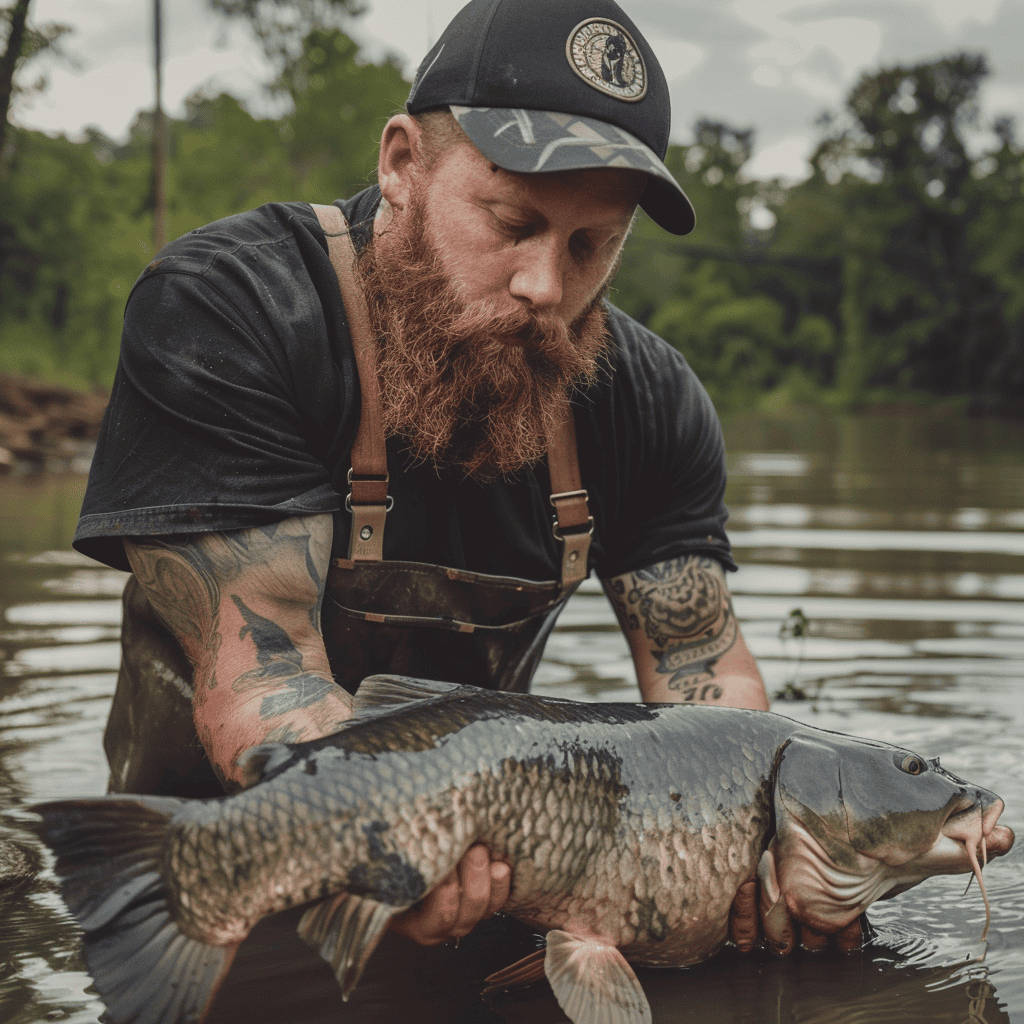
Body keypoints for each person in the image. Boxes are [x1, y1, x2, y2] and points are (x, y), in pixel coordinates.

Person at [73, 0, 859, 958]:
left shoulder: (649, 402)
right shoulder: (231, 309)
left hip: (499, 880)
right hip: (201, 869)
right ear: (403, 163)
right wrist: (401, 841)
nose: (545, 288)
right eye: (512, 222)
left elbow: (708, 684)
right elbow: (262, 677)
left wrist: (752, 846)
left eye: (590, 246)